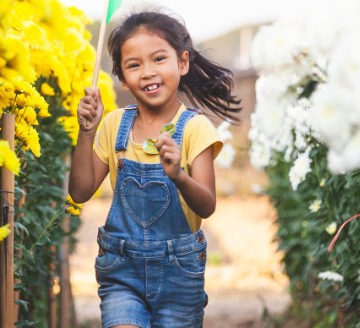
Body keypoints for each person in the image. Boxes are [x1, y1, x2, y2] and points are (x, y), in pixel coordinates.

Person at [68, 9, 241, 328]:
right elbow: (79, 192)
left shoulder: (194, 129)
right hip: (122, 272)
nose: (147, 72)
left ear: (183, 62)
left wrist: (178, 175)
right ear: (121, 77)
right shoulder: (113, 125)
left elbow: (207, 204)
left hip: (179, 276)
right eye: (134, 65)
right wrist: (87, 132)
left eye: (159, 59)